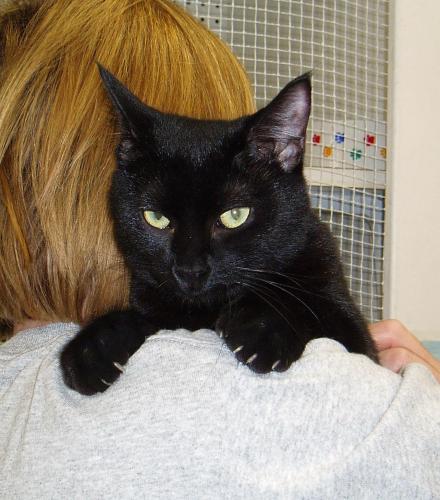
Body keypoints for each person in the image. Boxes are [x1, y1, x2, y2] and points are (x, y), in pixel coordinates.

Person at [0, 0, 439, 498]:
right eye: (158, 220)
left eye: (230, 218)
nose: (190, 267)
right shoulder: (375, 419)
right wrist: (425, 412)